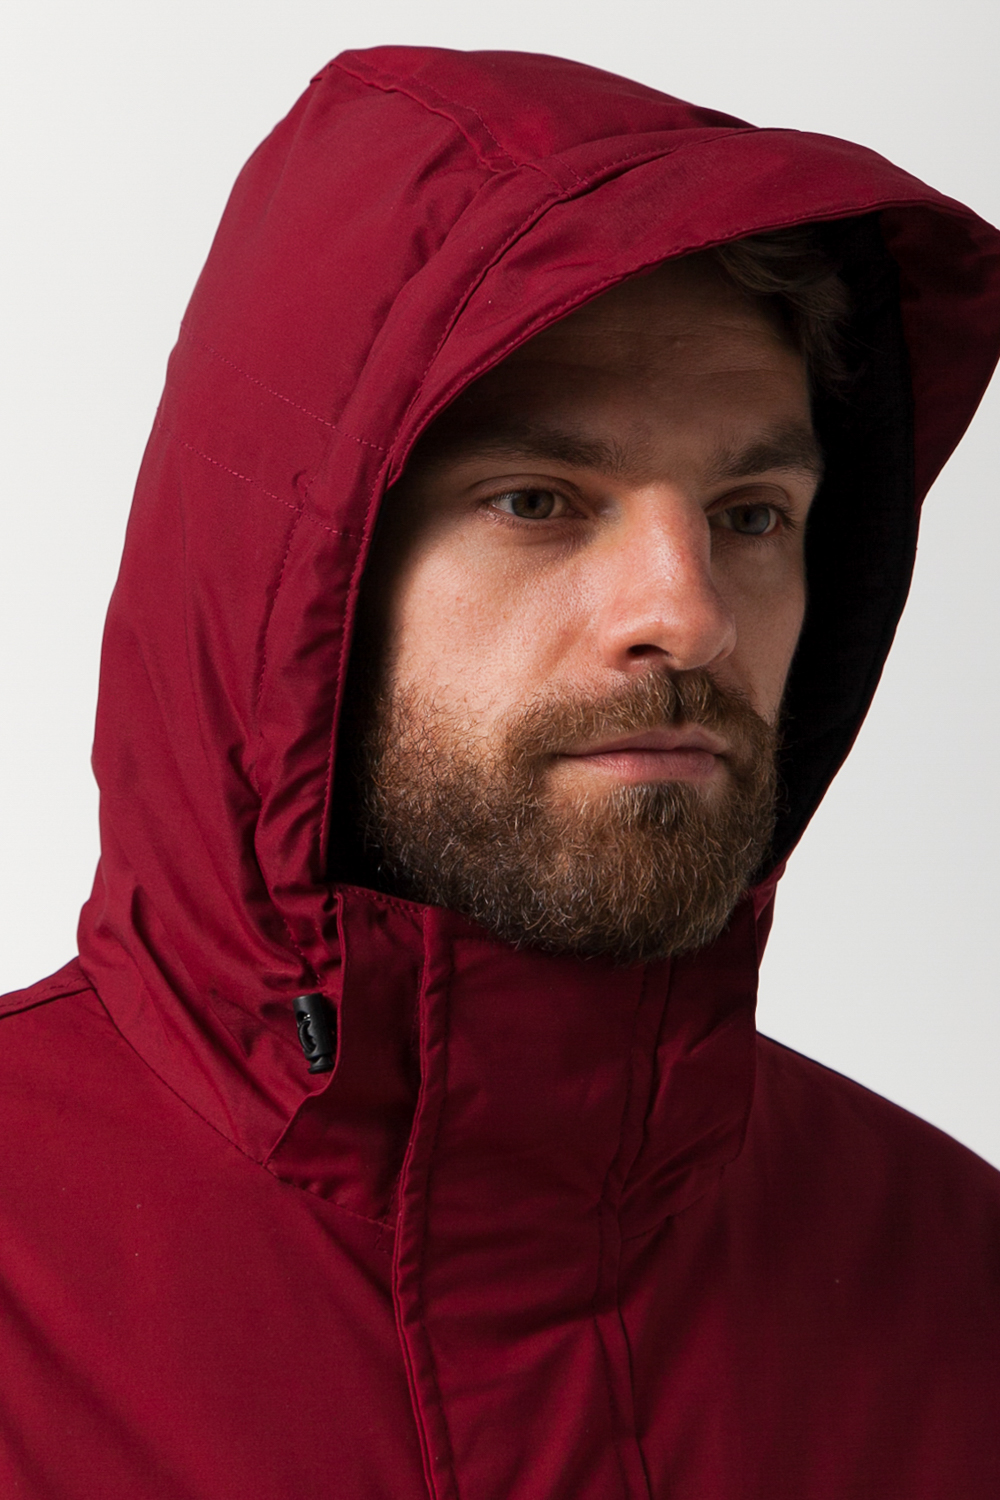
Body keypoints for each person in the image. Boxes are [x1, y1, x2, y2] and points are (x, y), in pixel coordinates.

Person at [1, 44, 998, 1500]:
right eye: (538, 501)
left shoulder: (957, 1285)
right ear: (301, 582)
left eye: (751, 513)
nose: (691, 615)